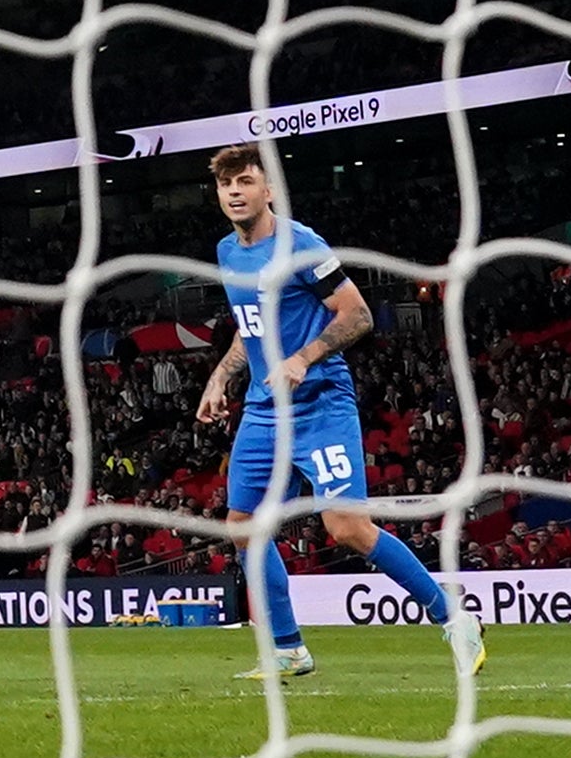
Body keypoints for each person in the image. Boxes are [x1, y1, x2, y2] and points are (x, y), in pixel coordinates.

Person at [199, 143, 481, 681]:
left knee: (348, 528)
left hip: (320, 403)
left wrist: (304, 357)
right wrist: (221, 376)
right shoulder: (227, 252)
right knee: (244, 528)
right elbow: (251, 324)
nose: (234, 192)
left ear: (269, 189)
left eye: (245, 182)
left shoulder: (301, 244)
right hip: (263, 410)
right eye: (225, 185)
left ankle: (453, 618)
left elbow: (358, 314)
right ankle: (288, 648)